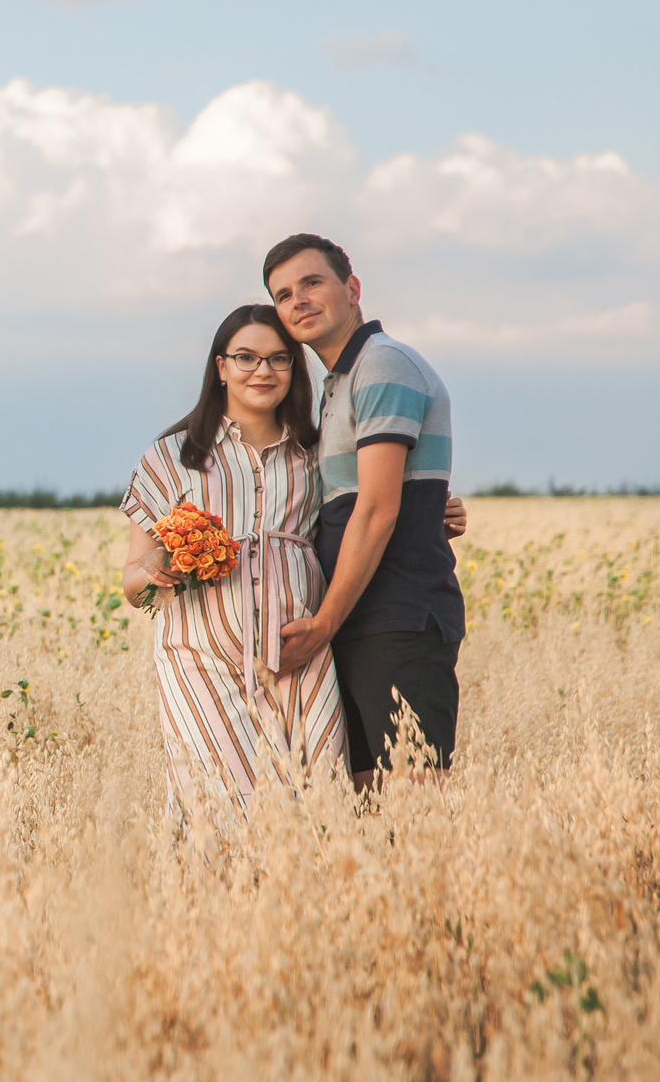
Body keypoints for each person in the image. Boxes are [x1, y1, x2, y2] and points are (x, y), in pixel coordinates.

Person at [120, 305, 461, 825]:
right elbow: (131, 581)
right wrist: (155, 572)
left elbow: (373, 500)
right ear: (220, 368)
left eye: (279, 359)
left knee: (317, 796)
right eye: (246, 358)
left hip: (300, 648)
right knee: (218, 806)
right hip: (200, 656)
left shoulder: (316, 451)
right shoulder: (171, 457)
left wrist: (437, 509)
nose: (263, 371)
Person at [264, 233, 465, 788]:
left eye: (311, 283)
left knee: (414, 800)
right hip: (360, 618)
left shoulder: (382, 365)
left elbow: (376, 510)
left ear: (352, 289)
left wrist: (323, 623)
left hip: (397, 617)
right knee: (368, 803)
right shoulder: (338, 383)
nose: (298, 301)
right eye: (283, 294)